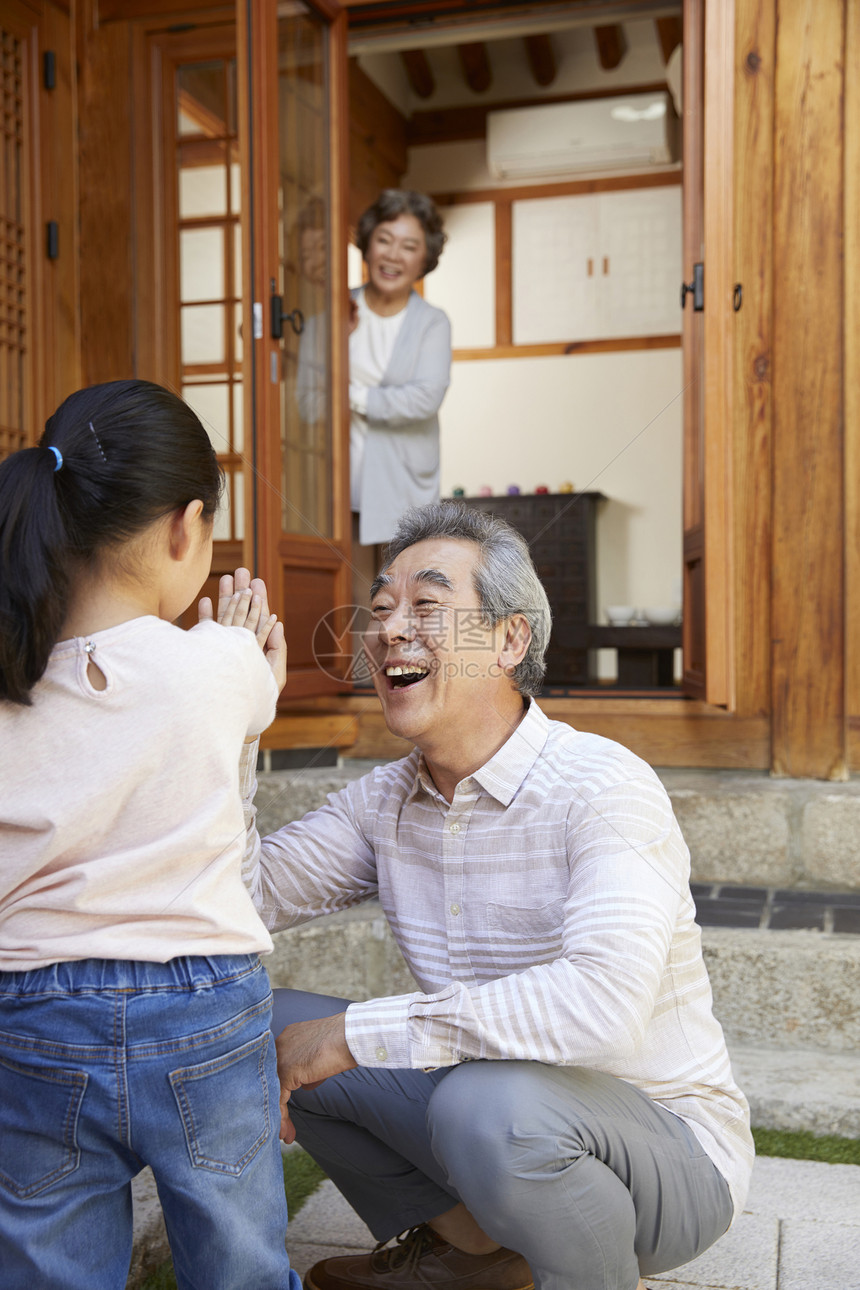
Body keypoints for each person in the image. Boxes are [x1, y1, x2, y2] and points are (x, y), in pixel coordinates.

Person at [237, 501, 754, 1290]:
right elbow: (240, 897)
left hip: (672, 1159)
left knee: (481, 1101)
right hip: (498, 1109)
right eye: (380, 610)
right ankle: (478, 1253)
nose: (390, 630)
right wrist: (232, 725)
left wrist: (355, 1034)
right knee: (268, 1028)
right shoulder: (384, 801)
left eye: (429, 606)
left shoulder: (601, 786)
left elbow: (603, 1004)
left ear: (511, 639)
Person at [0, 379, 297, 1290]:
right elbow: (251, 700)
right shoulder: (218, 664)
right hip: (202, 1000)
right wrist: (245, 656)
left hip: (32, 1007)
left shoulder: (13, 676)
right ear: (185, 528)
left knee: (48, 1261)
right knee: (239, 1255)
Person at [348, 190, 452, 607]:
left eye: (410, 246)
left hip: (403, 479)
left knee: (399, 592)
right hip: (342, 478)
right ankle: (347, 675)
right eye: (385, 239)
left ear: (424, 259)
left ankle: (394, 674)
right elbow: (305, 394)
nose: (394, 255)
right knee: (348, 591)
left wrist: (352, 396)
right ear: (368, 243)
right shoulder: (337, 308)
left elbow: (424, 399)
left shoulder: (431, 322)